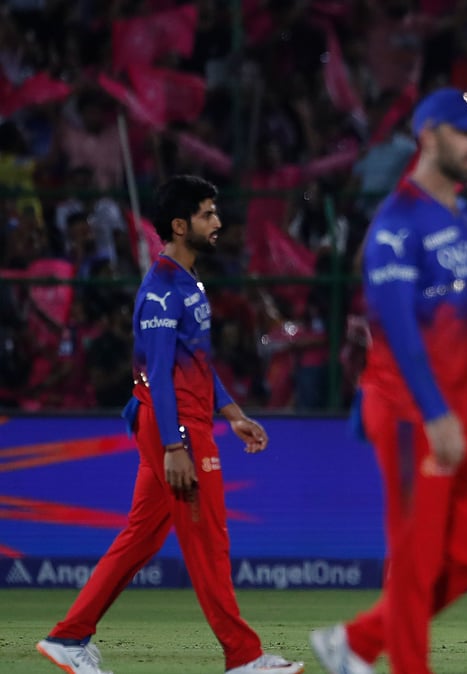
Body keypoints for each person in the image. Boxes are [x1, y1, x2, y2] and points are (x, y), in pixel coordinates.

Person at [35, 175, 304, 674]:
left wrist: (234, 413)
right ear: (180, 226)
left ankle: (69, 638)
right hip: (175, 427)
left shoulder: (188, 284)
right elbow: (157, 374)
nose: (218, 222)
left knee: (141, 538)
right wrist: (175, 444)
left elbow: (196, 364)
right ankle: (244, 658)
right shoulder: (161, 292)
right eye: (207, 214)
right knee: (208, 541)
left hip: (182, 422)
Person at [308, 88, 467, 674]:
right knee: (414, 562)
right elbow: (395, 329)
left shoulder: (461, 214)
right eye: (463, 132)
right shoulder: (396, 222)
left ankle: (358, 643)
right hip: (405, 411)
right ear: (427, 135)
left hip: (451, 411)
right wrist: (438, 412)